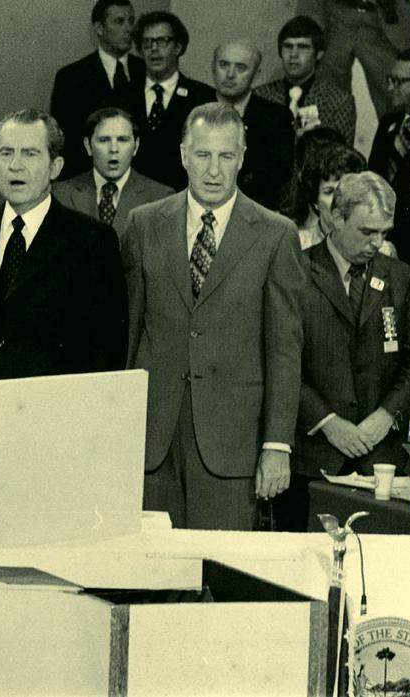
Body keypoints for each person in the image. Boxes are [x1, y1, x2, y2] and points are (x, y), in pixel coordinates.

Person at [122, 103, 305, 530]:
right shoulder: (143, 224)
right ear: (184, 155)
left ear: (242, 158)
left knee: (220, 574)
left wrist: (277, 444)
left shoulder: (276, 234)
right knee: (151, 577)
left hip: (232, 444)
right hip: (151, 439)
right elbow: (127, 336)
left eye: (226, 156)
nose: (214, 170)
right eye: (203, 155)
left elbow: (284, 349)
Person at [275, 172, 410, 531]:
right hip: (313, 461)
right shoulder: (296, 271)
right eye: (367, 231)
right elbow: (282, 358)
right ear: (335, 219)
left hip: (382, 465)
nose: (377, 242)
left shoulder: (402, 278)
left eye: (384, 233)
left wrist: (386, 415)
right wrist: (328, 423)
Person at [0, 109, 127, 378]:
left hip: (51, 409)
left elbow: (105, 350)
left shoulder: (93, 241)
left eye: (30, 153)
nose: (15, 165)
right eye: (6, 153)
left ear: (55, 167)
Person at [49, 0, 145, 178]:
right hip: (86, 183)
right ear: (99, 28)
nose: (128, 29)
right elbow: (63, 140)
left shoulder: (146, 72)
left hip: (139, 184)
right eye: (119, 21)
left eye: (131, 21)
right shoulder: (71, 77)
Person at [122, 11, 216, 191]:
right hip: (132, 197)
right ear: (140, 50)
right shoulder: (121, 96)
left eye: (162, 41)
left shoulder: (203, 98)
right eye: (147, 42)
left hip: (182, 195)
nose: (154, 49)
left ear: (178, 47)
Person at [53, 106, 173, 239]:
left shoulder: (161, 197)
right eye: (104, 140)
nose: (114, 149)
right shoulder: (60, 194)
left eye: (122, 140)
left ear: (136, 146)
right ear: (88, 146)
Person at [211, 40, 297, 210]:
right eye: (223, 65)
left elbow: (276, 179)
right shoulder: (190, 109)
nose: (230, 74)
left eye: (241, 67)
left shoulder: (277, 118)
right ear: (213, 67)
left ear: (256, 74)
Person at [253, 16, 357, 144]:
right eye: (288, 46)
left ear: (319, 54)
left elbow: (341, 157)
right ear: (280, 52)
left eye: (302, 47)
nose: (293, 55)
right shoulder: (261, 95)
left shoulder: (339, 100)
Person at [369, 47, 410, 272]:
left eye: (399, 81)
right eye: (390, 79)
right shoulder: (389, 124)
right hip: (389, 238)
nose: (390, 88)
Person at [283, 140, 378, 250]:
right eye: (329, 192)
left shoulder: (381, 249)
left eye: (350, 190)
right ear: (315, 201)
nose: (340, 201)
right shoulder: (293, 246)